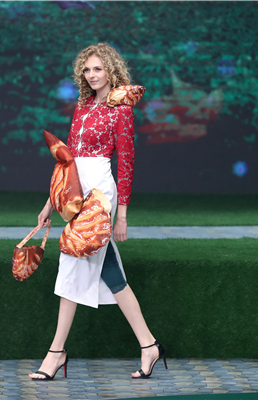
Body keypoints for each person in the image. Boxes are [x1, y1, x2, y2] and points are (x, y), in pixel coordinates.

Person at [29, 43, 166, 381]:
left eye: (98, 69)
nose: (92, 75)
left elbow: (127, 163)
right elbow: (67, 161)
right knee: (110, 274)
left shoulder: (121, 109)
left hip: (100, 195)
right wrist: (50, 203)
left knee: (70, 264)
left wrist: (122, 215)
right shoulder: (83, 105)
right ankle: (149, 345)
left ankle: (56, 353)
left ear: (111, 70)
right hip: (75, 190)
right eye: (87, 70)